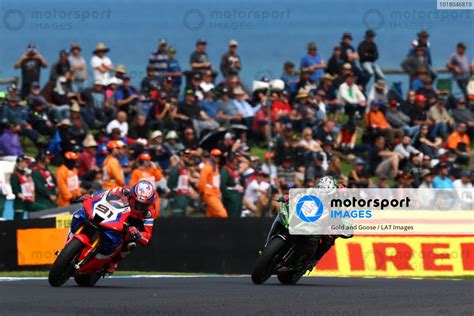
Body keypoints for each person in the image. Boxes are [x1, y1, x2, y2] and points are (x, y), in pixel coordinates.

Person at [69, 179, 157, 273]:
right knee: (84, 214)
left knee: (130, 243)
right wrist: (91, 197)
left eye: (141, 205)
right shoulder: (125, 191)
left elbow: (148, 238)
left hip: (132, 224)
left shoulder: (149, 212)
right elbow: (105, 193)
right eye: (135, 202)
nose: (137, 207)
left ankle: (113, 262)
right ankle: (71, 239)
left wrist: (138, 234)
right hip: (116, 214)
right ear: (131, 195)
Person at [198, 149, 228, 218]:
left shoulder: (215, 166)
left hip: (215, 193)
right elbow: (201, 183)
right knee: (223, 214)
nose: (217, 158)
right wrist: (202, 194)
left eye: (218, 156)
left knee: (211, 215)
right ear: (211, 156)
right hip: (209, 194)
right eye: (215, 156)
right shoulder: (207, 168)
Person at [10, 155, 37, 219]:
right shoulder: (15, 174)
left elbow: (31, 186)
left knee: (41, 209)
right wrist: (20, 195)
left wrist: (33, 195)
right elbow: (15, 190)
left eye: (28, 162)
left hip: (29, 200)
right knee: (18, 221)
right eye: (26, 162)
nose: (27, 164)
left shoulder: (27, 174)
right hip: (20, 202)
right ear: (20, 162)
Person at [220, 152, 244, 218]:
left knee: (238, 215)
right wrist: (229, 196)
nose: (236, 163)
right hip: (231, 198)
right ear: (228, 161)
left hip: (238, 196)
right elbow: (222, 186)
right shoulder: (225, 171)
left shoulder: (235, 170)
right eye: (233, 161)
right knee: (232, 216)